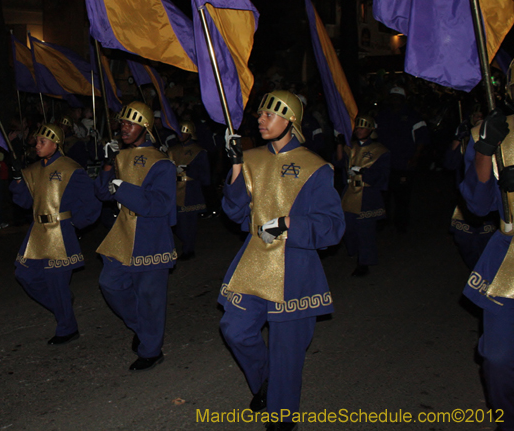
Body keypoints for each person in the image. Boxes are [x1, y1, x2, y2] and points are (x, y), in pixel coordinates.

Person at [219, 90, 344, 431]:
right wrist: (234, 165)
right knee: (234, 328)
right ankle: (267, 382)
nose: (261, 120)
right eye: (259, 114)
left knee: (287, 351)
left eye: (269, 115)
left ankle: (282, 414)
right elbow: (233, 211)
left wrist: (288, 224)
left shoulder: (316, 168)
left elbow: (333, 227)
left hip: (295, 268)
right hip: (255, 262)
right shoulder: (252, 158)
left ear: (290, 120)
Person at [94, 101, 177, 371]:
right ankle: (143, 327)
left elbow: (160, 204)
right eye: (122, 123)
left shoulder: (162, 163)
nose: (124, 128)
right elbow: (102, 193)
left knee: (150, 297)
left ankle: (151, 350)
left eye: (130, 124)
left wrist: (122, 188)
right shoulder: (120, 157)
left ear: (145, 127)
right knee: (110, 283)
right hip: (122, 234)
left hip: (150, 237)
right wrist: (107, 164)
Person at [10, 124, 101, 344]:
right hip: (37, 231)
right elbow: (23, 202)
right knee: (25, 275)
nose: (37, 146)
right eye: (37, 141)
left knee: (56, 281)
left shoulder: (71, 168)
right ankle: (61, 303)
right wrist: (17, 179)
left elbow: (90, 202)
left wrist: (74, 225)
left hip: (60, 230)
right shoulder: (33, 170)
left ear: (56, 143)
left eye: (42, 142)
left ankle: (67, 328)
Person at [459, 107, 514, 430]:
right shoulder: (497, 130)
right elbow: (478, 206)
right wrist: (484, 151)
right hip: (508, 258)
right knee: (498, 359)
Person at [336, 114, 390, 276]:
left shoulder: (381, 151)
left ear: (371, 130)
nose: (360, 130)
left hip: (367, 194)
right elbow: (338, 163)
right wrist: (339, 143)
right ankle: (354, 250)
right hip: (350, 192)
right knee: (347, 227)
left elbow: (383, 176)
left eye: (363, 127)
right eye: (357, 127)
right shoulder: (349, 147)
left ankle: (364, 262)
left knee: (365, 231)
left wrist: (364, 172)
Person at [444, 106, 496, 270]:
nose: (478, 119)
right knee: (466, 244)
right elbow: (449, 164)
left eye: (482, 116)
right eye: (475, 116)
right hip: (466, 203)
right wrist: (457, 139)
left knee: (488, 247)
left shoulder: (498, 139)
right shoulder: (466, 141)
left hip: (490, 203)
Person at [375, 86, 429, 233]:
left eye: (398, 97)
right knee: (384, 195)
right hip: (385, 164)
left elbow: (422, 139)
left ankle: (401, 224)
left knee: (402, 196)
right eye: (392, 97)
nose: (395, 100)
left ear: (404, 100)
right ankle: (382, 221)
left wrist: (415, 157)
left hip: (403, 163)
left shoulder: (413, 116)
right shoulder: (382, 115)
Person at [167, 120, 210, 260]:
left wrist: (187, 169)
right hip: (174, 189)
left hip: (190, 190)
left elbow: (204, 173)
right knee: (175, 223)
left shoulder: (199, 151)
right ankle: (185, 245)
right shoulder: (172, 150)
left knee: (188, 224)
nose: (181, 135)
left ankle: (188, 249)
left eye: (184, 131)